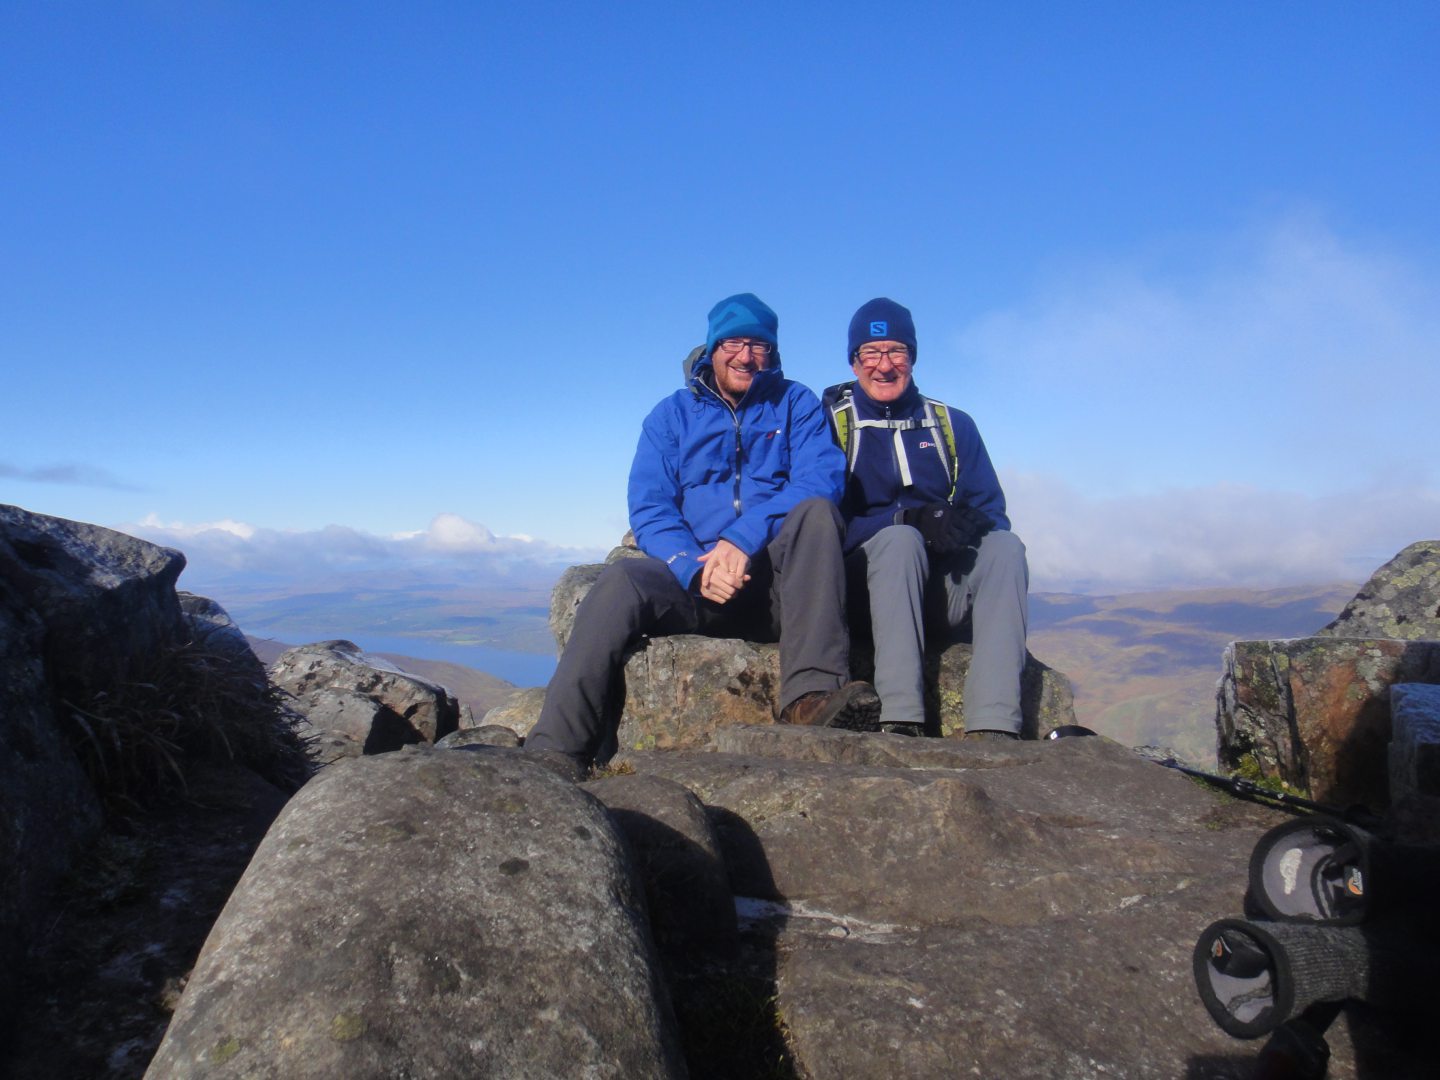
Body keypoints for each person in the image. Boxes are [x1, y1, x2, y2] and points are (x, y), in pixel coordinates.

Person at [526, 293, 881, 770]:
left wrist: (742, 539)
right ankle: (556, 749)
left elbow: (822, 478)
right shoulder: (671, 416)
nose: (746, 355)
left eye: (759, 345)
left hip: (777, 587)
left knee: (816, 512)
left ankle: (811, 696)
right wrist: (693, 568)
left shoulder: (795, 403)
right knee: (619, 582)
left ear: (772, 353)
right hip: (698, 585)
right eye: (734, 341)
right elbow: (650, 507)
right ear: (712, 347)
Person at [824, 297, 1029, 739]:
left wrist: (963, 527)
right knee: (900, 542)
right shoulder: (833, 426)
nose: (884, 366)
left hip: (938, 595)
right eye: (871, 354)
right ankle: (901, 717)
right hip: (869, 594)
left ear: (912, 358)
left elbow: (993, 512)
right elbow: (826, 529)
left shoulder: (952, 425)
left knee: (1005, 548)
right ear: (854, 362)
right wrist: (909, 520)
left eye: (896, 351)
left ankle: (994, 725)